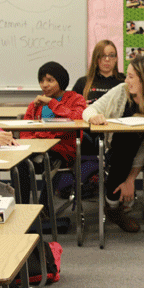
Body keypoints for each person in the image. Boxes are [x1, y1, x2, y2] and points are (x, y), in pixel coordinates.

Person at [82, 55, 144, 233]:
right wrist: (93, 116)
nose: (126, 80)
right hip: (121, 150)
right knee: (123, 147)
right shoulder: (121, 91)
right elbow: (89, 110)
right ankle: (113, 208)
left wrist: (130, 179)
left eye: (131, 76)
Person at [17, 61, 86, 203]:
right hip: (37, 149)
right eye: (41, 81)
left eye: (50, 80)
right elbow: (25, 130)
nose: (44, 85)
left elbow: (78, 118)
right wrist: (34, 143)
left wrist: (51, 103)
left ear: (60, 81)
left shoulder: (75, 99)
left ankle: (44, 210)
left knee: (52, 162)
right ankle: (22, 208)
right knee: (20, 164)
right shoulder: (35, 104)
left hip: (61, 150)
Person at [72, 40, 125, 154]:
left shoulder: (124, 81)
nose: (107, 59)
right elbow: (71, 109)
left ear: (116, 59)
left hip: (117, 132)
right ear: (96, 59)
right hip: (90, 133)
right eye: (102, 55)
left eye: (111, 55)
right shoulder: (83, 82)